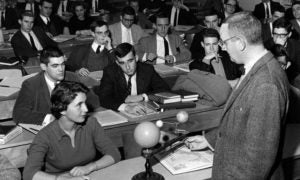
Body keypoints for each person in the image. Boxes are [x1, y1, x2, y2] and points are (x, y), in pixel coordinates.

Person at [185, 12, 289, 179]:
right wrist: (210, 140)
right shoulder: (257, 68)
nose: (223, 47)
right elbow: (242, 120)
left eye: (224, 42)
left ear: (240, 42)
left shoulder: (266, 84)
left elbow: (257, 161)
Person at [23, 81, 121, 180]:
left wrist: (90, 167)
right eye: (79, 105)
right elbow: (29, 174)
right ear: (62, 109)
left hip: (89, 175)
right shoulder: (45, 136)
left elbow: (114, 153)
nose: (86, 109)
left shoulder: (91, 123)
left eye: (85, 103)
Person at [13, 46, 100, 125]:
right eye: (55, 66)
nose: (61, 69)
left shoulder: (71, 77)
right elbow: (19, 114)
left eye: (62, 64)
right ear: (43, 67)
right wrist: (49, 118)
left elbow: (93, 100)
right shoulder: (31, 84)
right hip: (46, 131)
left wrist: (78, 108)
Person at [97, 42, 169, 115]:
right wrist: (126, 107)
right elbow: (104, 98)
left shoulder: (147, 70)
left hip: (145, 111)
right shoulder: (110, 72)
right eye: (122, 63)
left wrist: (143, 96)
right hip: (121, 113)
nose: (127, 67)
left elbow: (165, 89)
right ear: (117, 63)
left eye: (130, 61)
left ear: (136, 58)